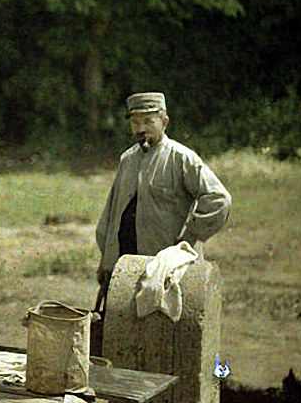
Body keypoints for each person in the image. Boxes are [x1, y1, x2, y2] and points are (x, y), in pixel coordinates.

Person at [95, 92, 231, 287]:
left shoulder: (181, 158)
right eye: (135, 122)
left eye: (148, 121)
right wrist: (107, 262)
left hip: (167, 269)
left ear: (164, 121)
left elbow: (219, 199)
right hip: (124, 267)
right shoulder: (127, 159)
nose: (140, 129)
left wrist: (189, 238)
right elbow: (111, 214)